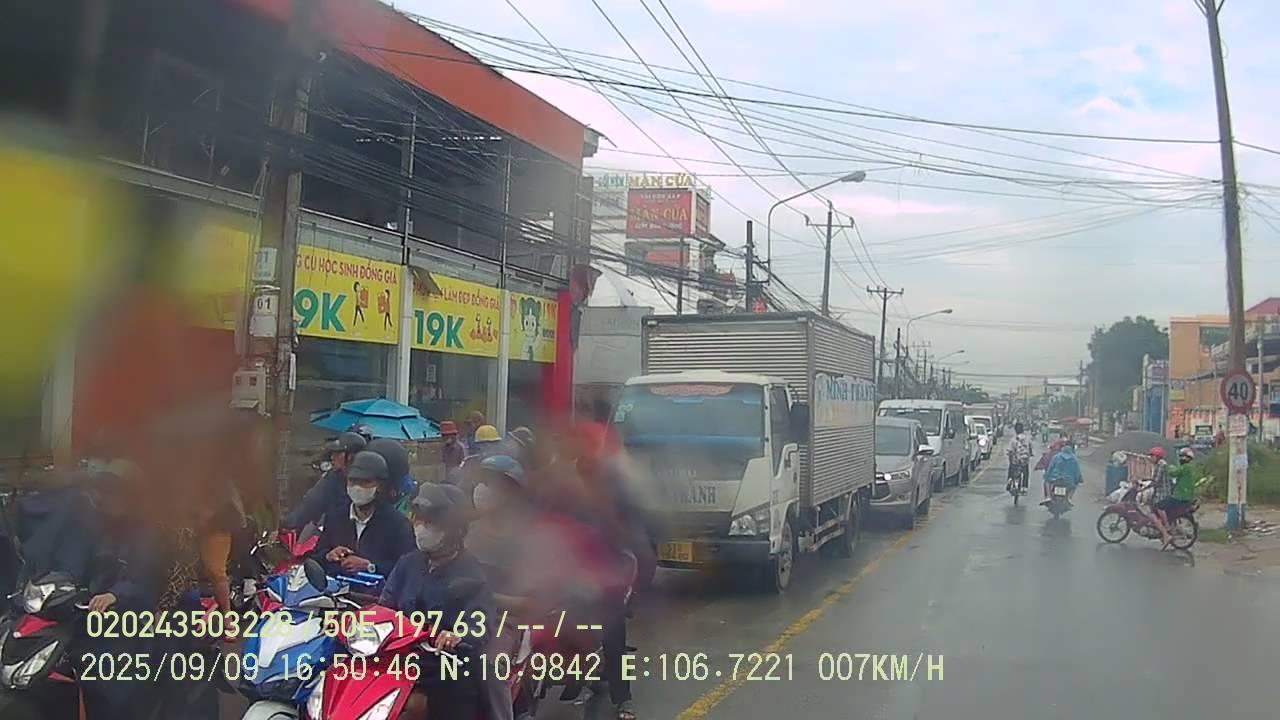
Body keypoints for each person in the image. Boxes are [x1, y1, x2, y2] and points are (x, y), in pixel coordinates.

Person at [380, 483, 494, 720]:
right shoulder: (408, 564)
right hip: (399, 663)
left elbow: (480, 623)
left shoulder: (471, 573)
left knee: (416, 707)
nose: (421, 529)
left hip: (444, 670)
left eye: (430, 523)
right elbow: (385, 606)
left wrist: (458, 636)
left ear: (453, 530)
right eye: (419, 521)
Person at [311, 450, 415, 584]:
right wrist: (329, 555)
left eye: (366, 482)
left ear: (379, 485)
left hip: (377, 594)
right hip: (338, 592)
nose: (357, 487)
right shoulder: (336, 516)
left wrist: (370, 567)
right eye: (352, 481)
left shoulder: (397, 524)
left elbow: (407, 569)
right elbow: (316, 558)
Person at [282, 431, 367, 531]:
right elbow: (311, 504)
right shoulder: (332, 478)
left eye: (338, 453)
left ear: (351, 456)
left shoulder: (367, 479)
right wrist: (287, 525)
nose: (332, 457)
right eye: (332, 453)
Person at [1041, 438, 1083, 506]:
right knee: (1075, 485)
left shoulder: (1056, 457)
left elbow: (1050, 468)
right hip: (1068, 481)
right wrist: (1079, 479)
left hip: (1055, 479)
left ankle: (1048, 496)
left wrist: (1046, 476)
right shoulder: (1074, 459)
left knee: (1047, 482)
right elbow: (1077, 472)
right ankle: (1069, 497)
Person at [1005, 422, 1034, 493]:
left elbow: (1010, 450)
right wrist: (1030, 454)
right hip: (1024, 461)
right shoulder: (1027, 439)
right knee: (1025, 472)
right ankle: (1024, 487)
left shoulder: (1013, 439)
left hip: (1015, 461)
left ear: (1015, 430)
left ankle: (1010, 479)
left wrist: (1010, 455)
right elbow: (1030, 448)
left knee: (1011, 468)